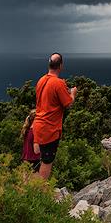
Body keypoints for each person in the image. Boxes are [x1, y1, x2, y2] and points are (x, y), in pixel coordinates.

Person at [32, 53, 76, 181]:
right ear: (61, 66)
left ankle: (33, 186)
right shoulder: (58, 83)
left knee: (39, 158)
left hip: (38, 124)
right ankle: (40, 192)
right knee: (47, 160)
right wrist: (73, 93)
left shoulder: (41, 80)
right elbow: (68, 103)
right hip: (49, 128)